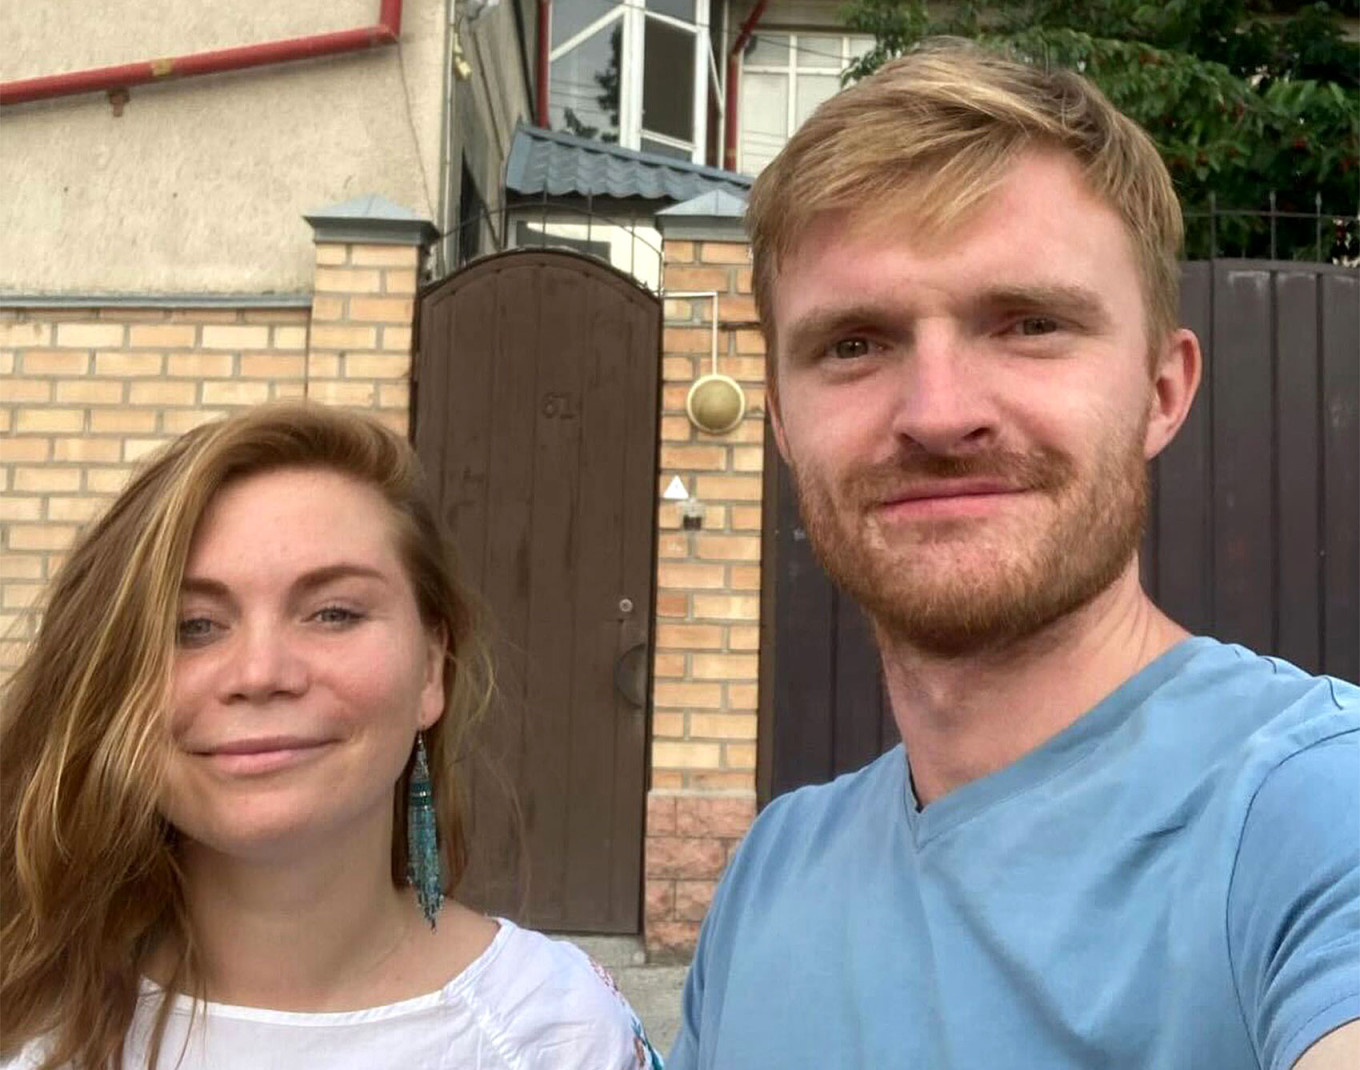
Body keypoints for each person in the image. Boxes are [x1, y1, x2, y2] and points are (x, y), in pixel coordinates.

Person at [667, 39, 1358, 1070]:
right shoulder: (770, 871)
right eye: (853, 343)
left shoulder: (1314, 811)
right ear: (779, 419)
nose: (938, 415)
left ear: (1162, 391)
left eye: (1029, 324)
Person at [0, 403, 664, 1070]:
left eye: (333, 613)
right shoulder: (27, 1024)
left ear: (432, 668)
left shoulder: (554, 1033)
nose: (260, 674)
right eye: (194, 625)